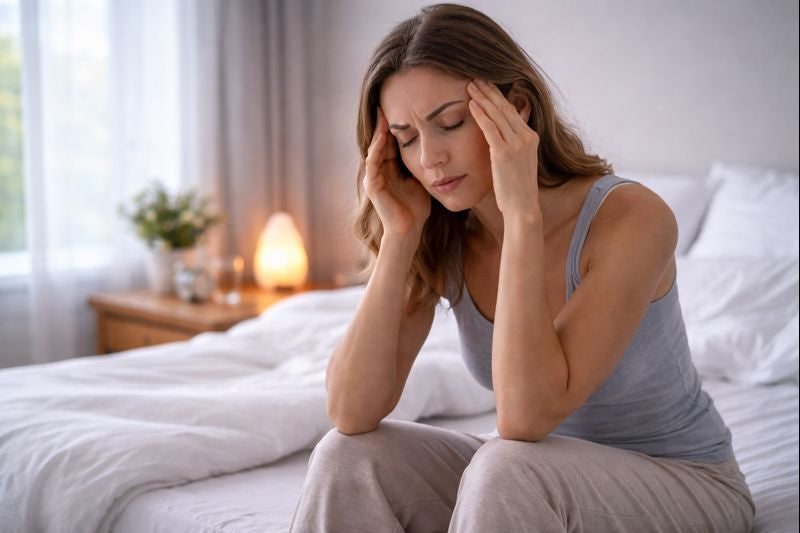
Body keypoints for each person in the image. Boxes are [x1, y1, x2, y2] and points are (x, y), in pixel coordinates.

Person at [290, 3, 755, 532]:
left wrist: (521, 217)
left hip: (683, 481)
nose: (430, 159)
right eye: (407, 138)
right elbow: (351, 412)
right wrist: (398, 237)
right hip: (540, 476)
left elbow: (525, 419)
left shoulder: (632, 219)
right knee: (347, 457)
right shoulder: (443, 231)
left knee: (507, 463)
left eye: (450, 123)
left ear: (516, 108)